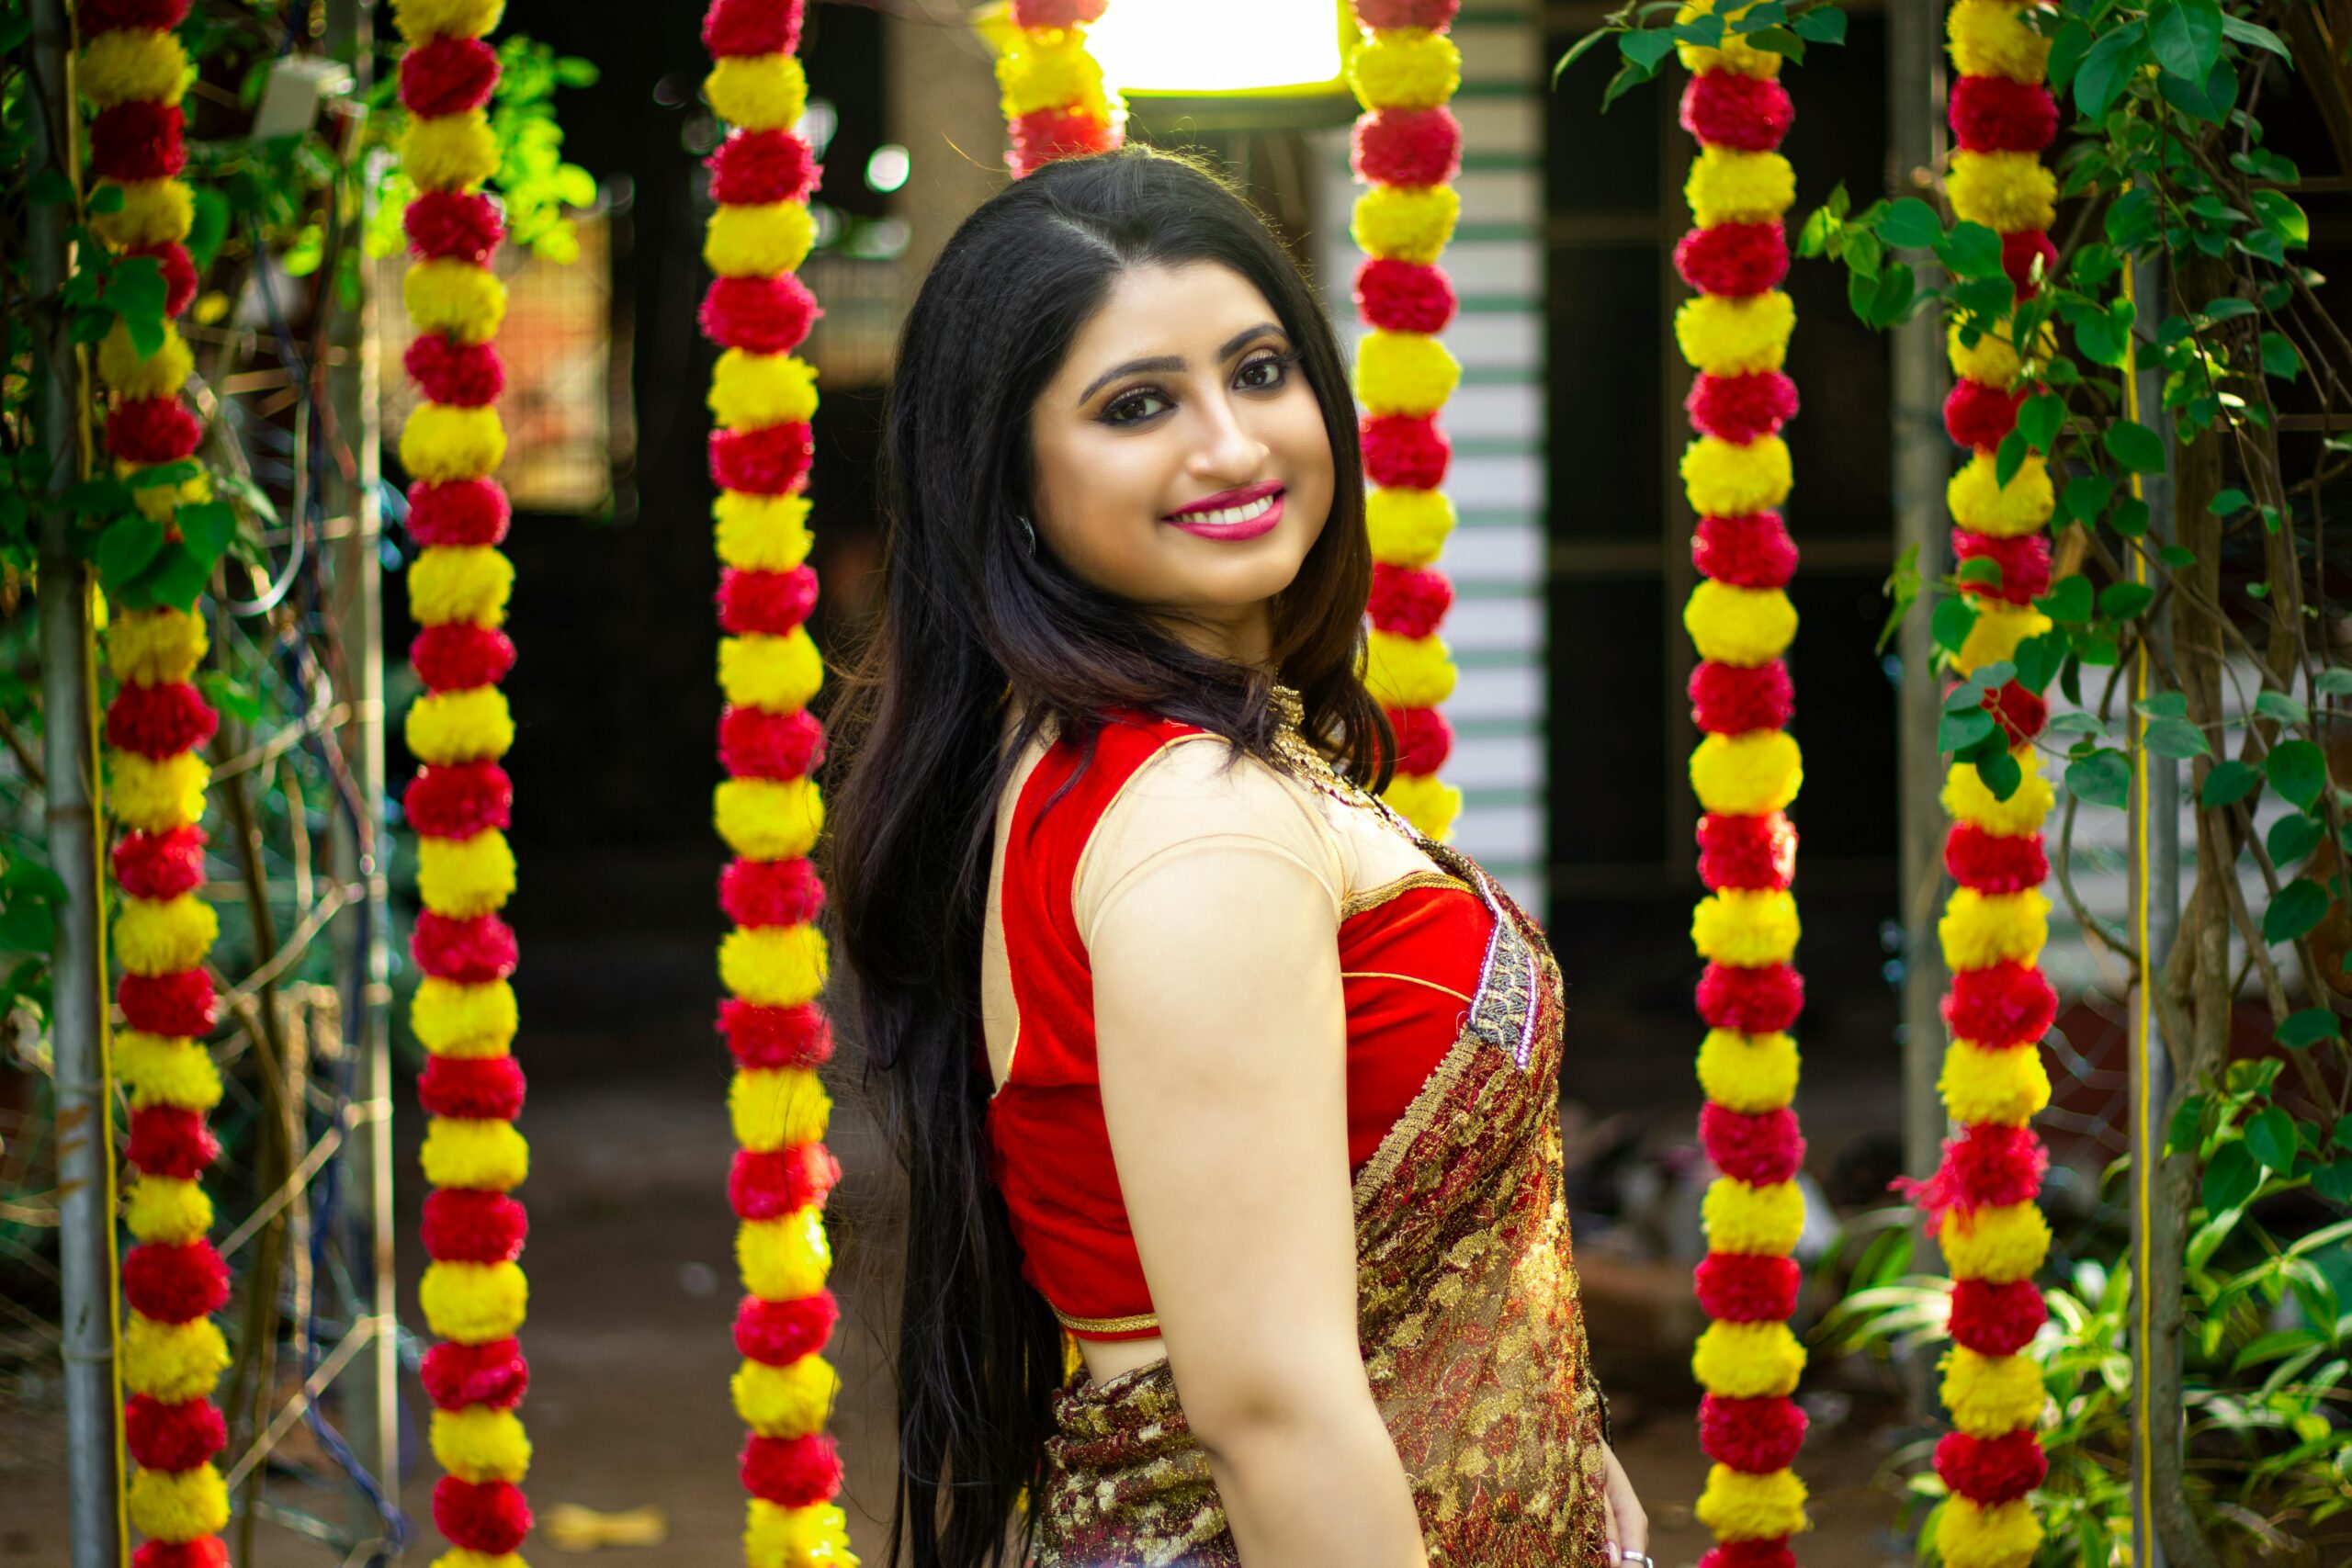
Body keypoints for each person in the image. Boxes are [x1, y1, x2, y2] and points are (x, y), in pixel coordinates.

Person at [828, 144, 1647, 1568]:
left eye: (1260, 371)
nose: (1233, 444)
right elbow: (1272, 1409)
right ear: (1011, 482)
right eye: (1139, 405)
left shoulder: (1119, 758)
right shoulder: (1199, 820)